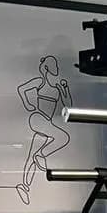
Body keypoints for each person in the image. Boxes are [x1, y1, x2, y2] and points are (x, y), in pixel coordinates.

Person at [16, 55, 73, 204]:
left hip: (46, 123)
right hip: (37, 118)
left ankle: (25, 186)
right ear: (47, 68)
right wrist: (28, 105)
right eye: (55, 66)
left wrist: (65, 89)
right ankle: (42, 154)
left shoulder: (57, 88)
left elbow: (69, 106)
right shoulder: (40, 82)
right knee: (62, 137)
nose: (58, 69)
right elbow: (22, 89)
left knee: (31, 156)